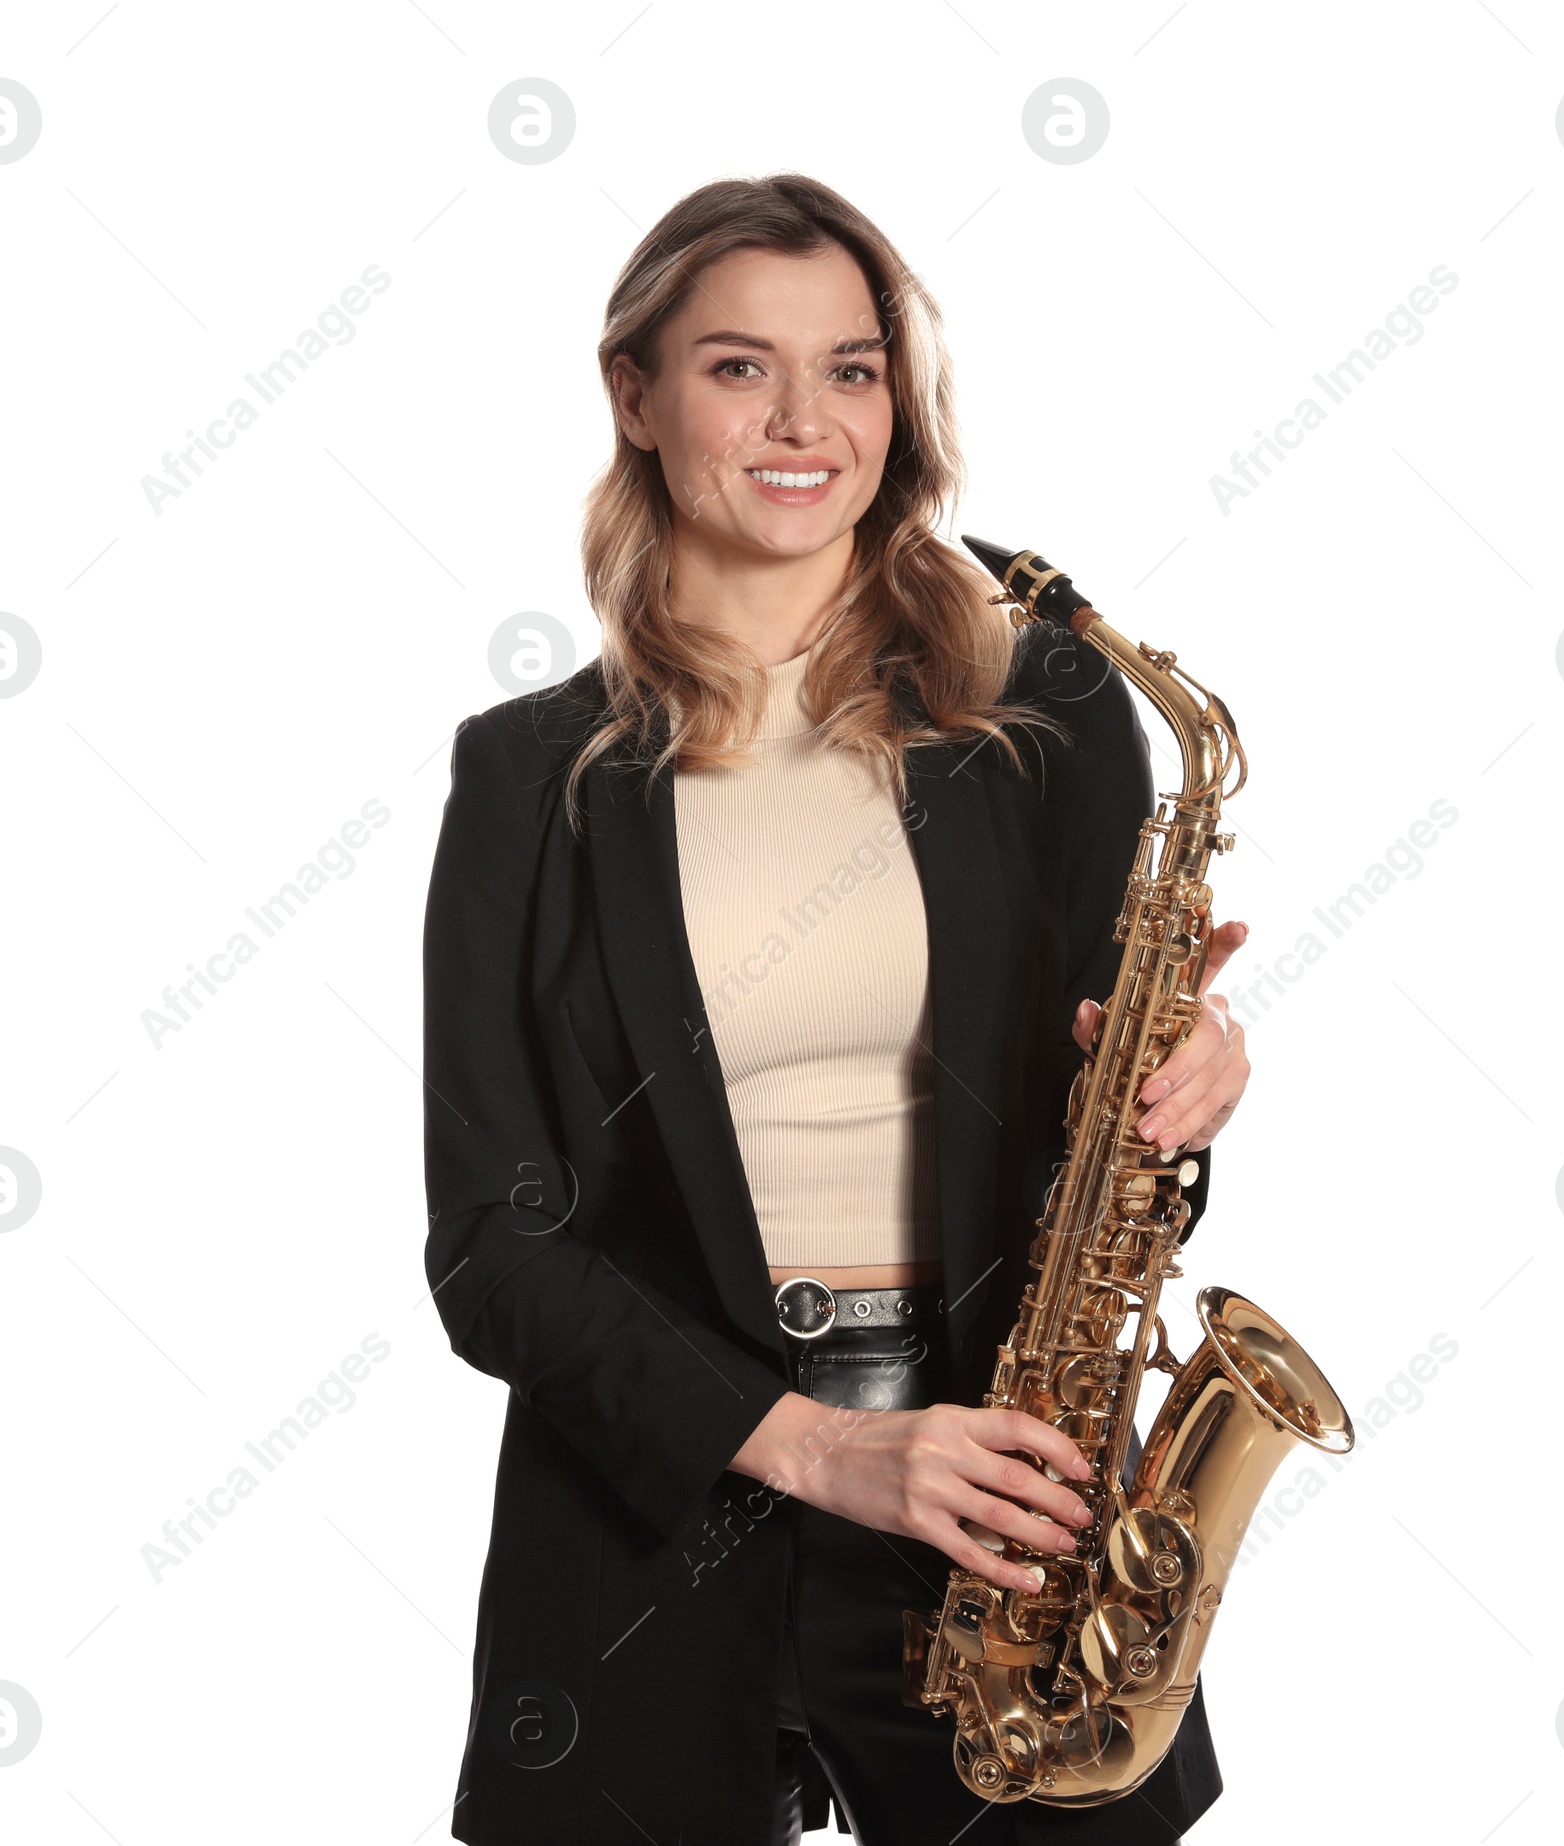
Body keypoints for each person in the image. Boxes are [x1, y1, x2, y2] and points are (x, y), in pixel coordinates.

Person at [422, 172, 1251, 1846]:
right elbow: (490, 1254)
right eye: (739, 367)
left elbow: (1106, 1172)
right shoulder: (526, 773)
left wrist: (1178, 1092)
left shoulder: (1057, 715)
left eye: (854, 368)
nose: (806, 421)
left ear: (901, 399)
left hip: (1016, 1513)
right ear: (636, 398)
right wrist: (811, 1447)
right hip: (650, 1522)